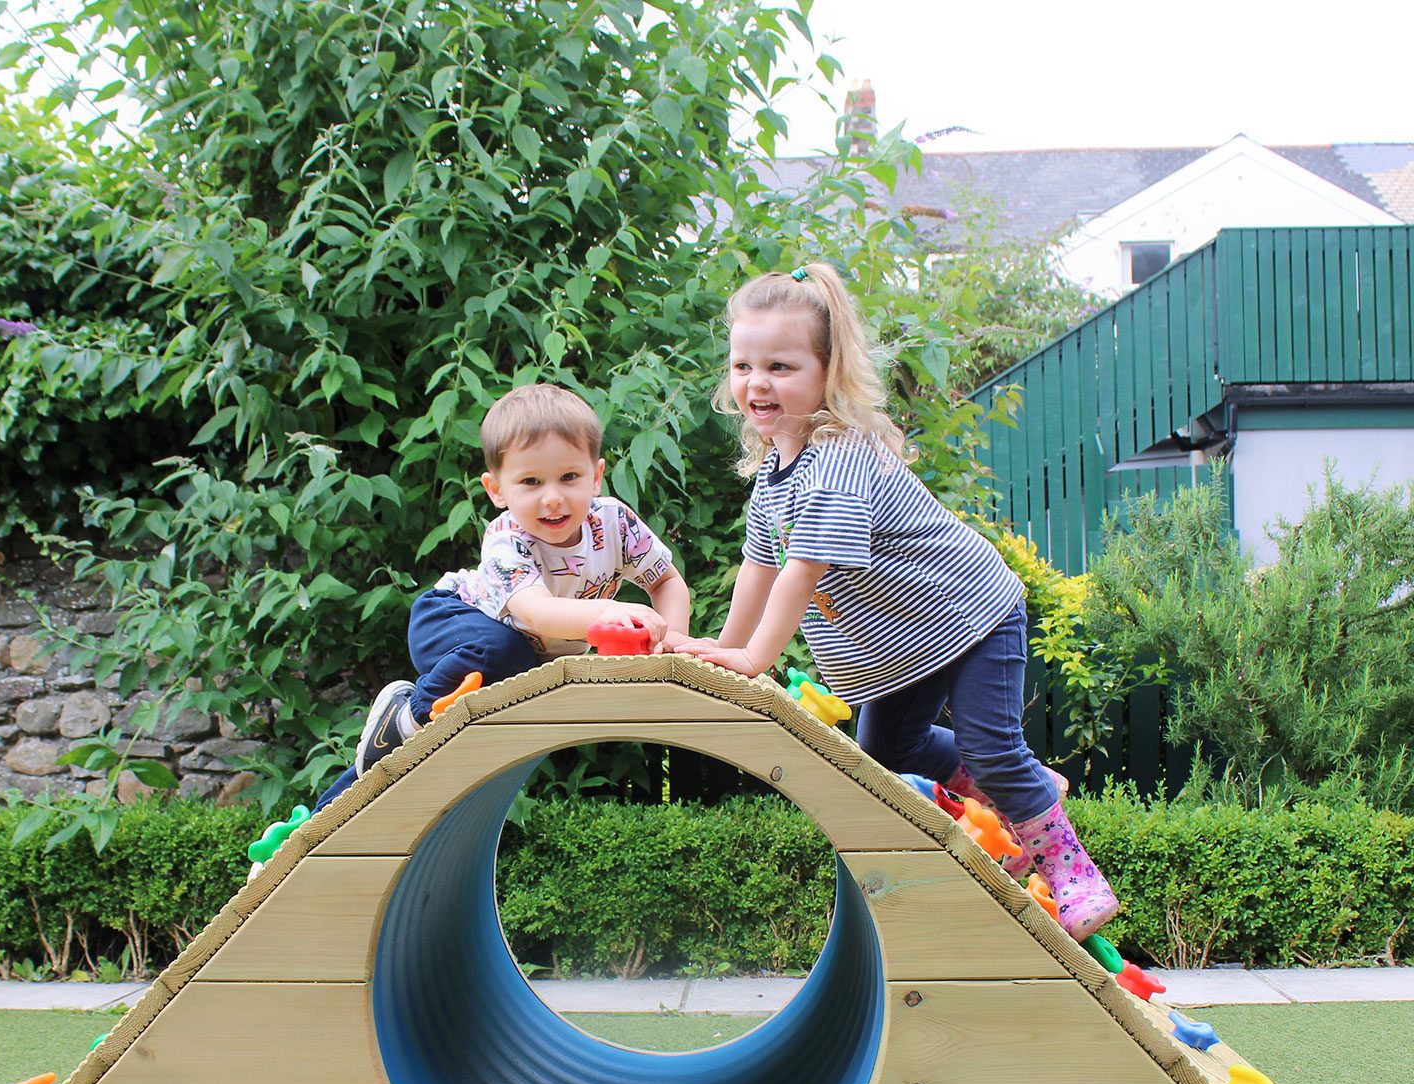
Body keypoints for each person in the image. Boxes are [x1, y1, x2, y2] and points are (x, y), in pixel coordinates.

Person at [672, 263, 1117, 939]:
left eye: (781, 367)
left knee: (990, 744)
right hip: (905, 645)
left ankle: (1073, 871)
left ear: (829, 370)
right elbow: (758, 567)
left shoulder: (838, 457)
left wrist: (752, 660)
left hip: (970, 616)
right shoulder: (773, 474)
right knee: (887, 750)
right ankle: (1020, 788)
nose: (757, 382)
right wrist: (727, 647)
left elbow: (799, 572)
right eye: (743, 365)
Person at [314, 383, 691, 809]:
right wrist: (611, 609)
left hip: (515, 655)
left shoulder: (614, 524)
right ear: (497, 490)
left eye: (570, 477)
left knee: (409, 757)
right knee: (507, 651)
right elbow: (537, 613)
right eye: (530, 481)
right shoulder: (506, 539)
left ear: (597, 475)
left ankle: (323, 812)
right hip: (451, 619)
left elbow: (666, 582)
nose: (553, 497)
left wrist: (669, 642)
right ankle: (406, 713)